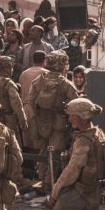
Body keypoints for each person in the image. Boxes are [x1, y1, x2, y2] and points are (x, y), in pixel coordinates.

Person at [29, 50, 78, 188]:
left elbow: (30, 101)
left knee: (44, 151)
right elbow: (76, 103)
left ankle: (41, 179)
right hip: (59, 123)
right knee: (55, 152)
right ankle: (50, 183)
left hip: (42, 122)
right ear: (63, 65)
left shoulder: (39, 80)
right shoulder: (65, 83)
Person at [0, 56, 25, 142]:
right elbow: (16, 104)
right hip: (7, 120)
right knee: (11, 146)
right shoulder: (8, 83)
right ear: (7, 68)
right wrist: (23, 121)